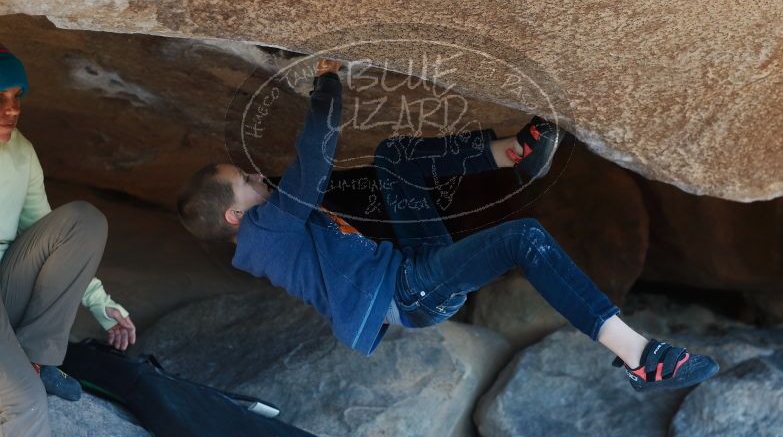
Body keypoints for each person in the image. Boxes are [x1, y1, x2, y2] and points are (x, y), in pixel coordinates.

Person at [177, 57, 719, 394]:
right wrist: (327, 80)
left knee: (393, 158)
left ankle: (517, 154)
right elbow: (314, 163)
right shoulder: (267, 230)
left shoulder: (264, 230)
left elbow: (312, 180)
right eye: (244, 179)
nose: (255, 175)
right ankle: (641, 358)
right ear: (234, 215)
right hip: (409, 293)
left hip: (410, 266)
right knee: (523, 237)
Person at [0, 44, 136, 437]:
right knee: (22, 405)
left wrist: (103, 305)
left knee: (83, 219)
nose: (11, 110)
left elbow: (44, 230)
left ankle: (36, 360)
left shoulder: (21, 152)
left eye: (17, 96)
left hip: (5, 285)